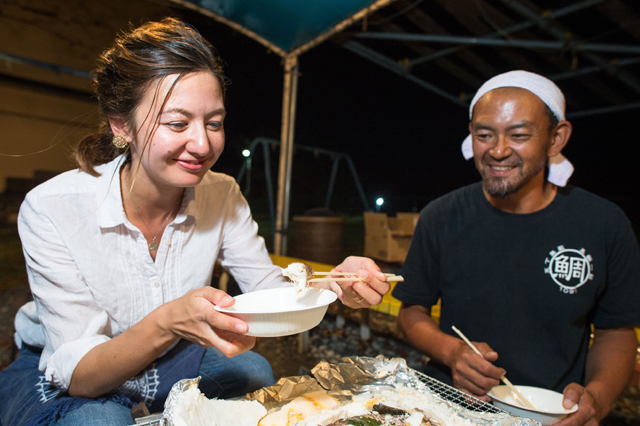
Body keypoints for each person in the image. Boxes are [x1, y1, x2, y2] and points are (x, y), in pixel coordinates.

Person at [0, 18, 390, 426]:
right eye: (176, 123)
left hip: (175, 351)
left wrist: (335, 285)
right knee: (97, 420)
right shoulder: (52, 208)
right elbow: (81, 374)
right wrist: (169, 319)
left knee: (253, 371)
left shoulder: (221, 193)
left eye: (215, 123)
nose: (203, 145)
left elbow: (267, 290)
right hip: (86, 366)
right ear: (121, 126)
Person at [393, 70, 640, 426]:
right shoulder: (441, 217)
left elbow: (616, 330)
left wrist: (597, 399)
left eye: (519, 135)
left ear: (556, 139)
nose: (498, 151)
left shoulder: (604, 224)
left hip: (552, 413)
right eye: (484, 135)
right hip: (448, 410)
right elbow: (411, 312)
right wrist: (452, 353)